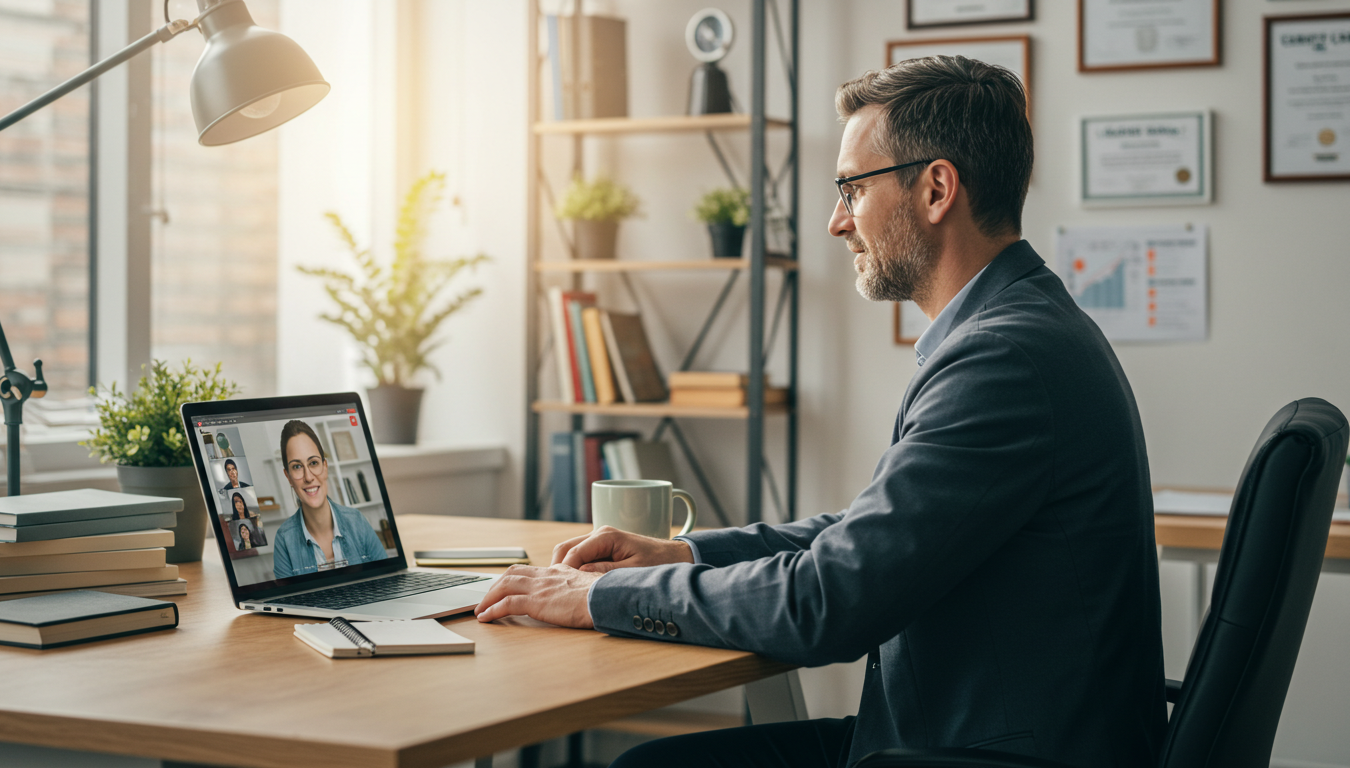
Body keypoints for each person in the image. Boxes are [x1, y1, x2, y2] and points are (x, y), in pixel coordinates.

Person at [473, 56, 1166, 768]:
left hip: (982, 753)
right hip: (961, 734)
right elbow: (866, 537)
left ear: (935, 189)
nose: (838, 222)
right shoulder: (1019, 329)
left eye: (852, 189)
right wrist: (685, 552)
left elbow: (828, 601)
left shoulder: (1003, 360)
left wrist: (599, 599)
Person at [271, 420, 388, 579]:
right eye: (297, 467)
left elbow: (387, 579)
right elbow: (286, 599)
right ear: (288, 477)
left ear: (325, 467)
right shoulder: (284, 539)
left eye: (313, 463)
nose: (308, 477)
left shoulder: (357, 521)